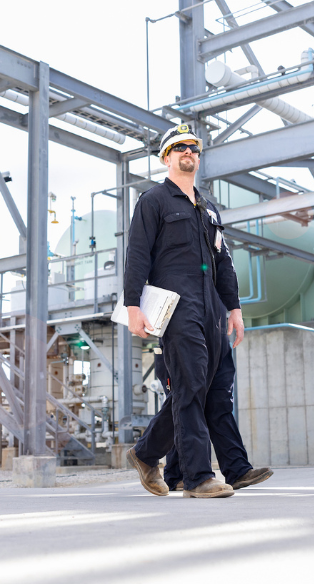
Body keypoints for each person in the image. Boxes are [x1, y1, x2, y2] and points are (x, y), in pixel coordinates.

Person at [123, 124, 245, 499]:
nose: (188, 152)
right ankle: (197, 476)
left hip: (211, 304)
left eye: (193, 147)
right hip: (176, 303)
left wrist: (234, 309)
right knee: (190, 382)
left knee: (204, 387)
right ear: (166, 157)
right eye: (179, 148)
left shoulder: (208, 207)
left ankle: (146, 454)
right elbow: (138, 255)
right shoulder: (154, 200)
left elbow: (223, 262)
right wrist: (132, 306)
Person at [150, 352, 272, 492]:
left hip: (215, 341)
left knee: (220, 404)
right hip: (179, 341)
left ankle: (237, 469)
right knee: (186, 404)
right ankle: (175, 473)